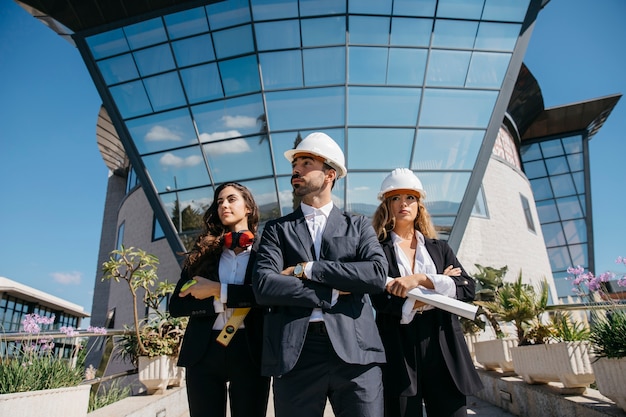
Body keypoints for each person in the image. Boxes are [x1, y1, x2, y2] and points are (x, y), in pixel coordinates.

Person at [252, 132, 388, 417]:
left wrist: (308, 269)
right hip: (295, 355)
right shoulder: (277, 229)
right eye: (295, 164)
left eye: (306, 162)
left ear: (330, 174)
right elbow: (264, 285)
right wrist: (332, 291)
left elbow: (375, 274)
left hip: (357, 353)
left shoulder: (359, 225)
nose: (296, 169)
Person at [370, 168, 483, 417]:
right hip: (398, 348)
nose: (403, 204)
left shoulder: (439, 248)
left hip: (443, 344)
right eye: (396, 198)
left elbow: (467, 289)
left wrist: (417, 280)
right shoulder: (377, 251)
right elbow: (383, 300)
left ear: (419, 204)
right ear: (387, 204)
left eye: (410, 197)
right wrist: (442, 286)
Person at [169, 182, 270, 417]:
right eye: (219, 202)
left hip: (250, 350)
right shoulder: (203, 254)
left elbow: (268, 296)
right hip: (203, 352)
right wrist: (216, 302)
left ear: (248, 207)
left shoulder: (265, 253)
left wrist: (217, 290)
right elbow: (176, 306)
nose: (224, 204)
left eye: (231, 199)